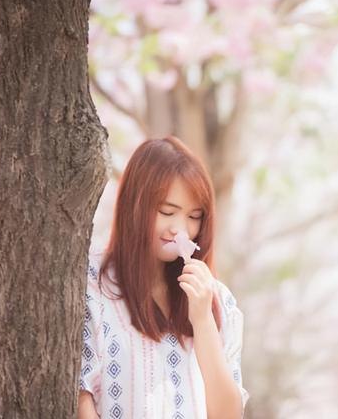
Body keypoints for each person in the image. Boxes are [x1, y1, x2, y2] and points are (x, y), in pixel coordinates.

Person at [78, 136, 249, 419]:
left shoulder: (218, 300)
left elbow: (228, 415)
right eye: (167, 212)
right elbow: (80, 400)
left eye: (194, 216)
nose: (180, 229)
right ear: (135, 205)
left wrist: (203, 320)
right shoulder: (91, 284)